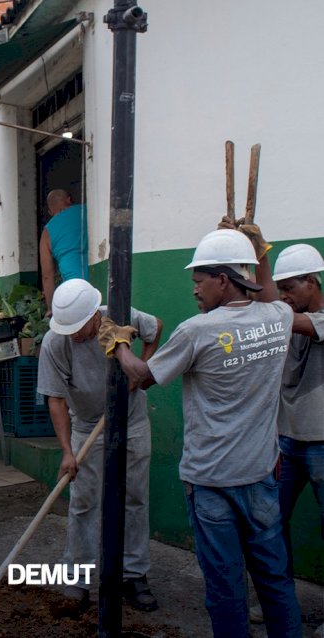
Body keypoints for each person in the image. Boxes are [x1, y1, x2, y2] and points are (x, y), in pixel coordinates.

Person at [101, 227, 302, 638]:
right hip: (262, 478)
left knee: (225, 590)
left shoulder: (197, 331)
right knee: (275, 581)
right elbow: (263, 293)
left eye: (199, 282)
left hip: (212, 482)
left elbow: (141, 377)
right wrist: (257, 252)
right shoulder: (279, 317)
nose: (194, 290)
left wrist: (118, 343)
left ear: (223, 280)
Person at [37, 278, 162, 613]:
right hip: (87, 425)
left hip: (131, 421)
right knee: (83, 502)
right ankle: (78, 580)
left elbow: (155, 328)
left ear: (95, 315)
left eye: (78, 327)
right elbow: (56, 400)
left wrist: (143, 373)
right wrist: (67, 451)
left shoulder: (121, 318)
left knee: (134, 498)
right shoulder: (55, 343)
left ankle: (134, 575)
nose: (72, 334)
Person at [272, 244, 324, 575]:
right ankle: (280, 599)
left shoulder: (307, 321)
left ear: (312, 281)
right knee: (271, 522)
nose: (284, 297)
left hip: (321, 443)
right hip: (286, 442)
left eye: (289, 289)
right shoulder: (287, 318)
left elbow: (284, 317)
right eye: (280, 290)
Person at [40, 189, 88, 315]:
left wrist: (51, 308)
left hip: (74, 287)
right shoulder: (88, 210)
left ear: (50, 212)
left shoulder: (47, 232)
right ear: (69, 200)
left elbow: (47, 275)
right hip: (100, 277)